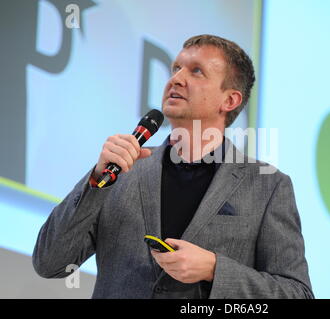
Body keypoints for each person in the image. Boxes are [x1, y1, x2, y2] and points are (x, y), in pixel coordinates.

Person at [32, 34, 314, 299]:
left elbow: (296, 292)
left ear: (229, 100)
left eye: (196, 71)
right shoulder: (122, 169)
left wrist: (215, 269)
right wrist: (95, 182)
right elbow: (49, 263)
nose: (176, 79)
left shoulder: (267, 186)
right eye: (176, 68)